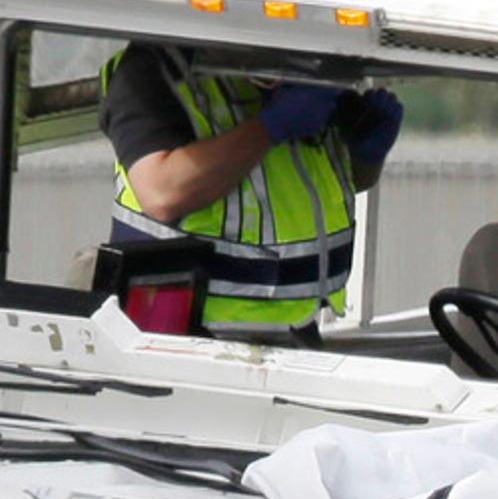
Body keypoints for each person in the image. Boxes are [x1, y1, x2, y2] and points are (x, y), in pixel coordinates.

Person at [99, 43, 405, 340]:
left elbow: (315, 190)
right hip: (186, 336)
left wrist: (368, 157)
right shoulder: (153, 70)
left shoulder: (297, 71)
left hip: (296, 328)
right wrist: (269, 128)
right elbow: (162, 192)